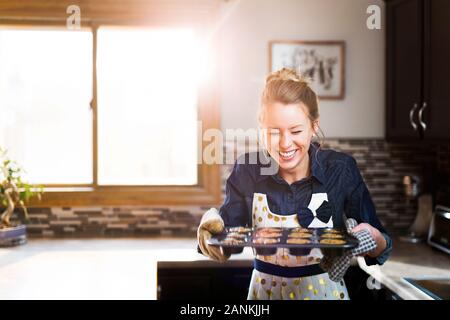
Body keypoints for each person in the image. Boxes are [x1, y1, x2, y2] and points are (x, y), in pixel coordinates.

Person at [197, 68, 392, 300]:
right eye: (274, 132)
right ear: (261, 130)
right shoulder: (246, 170)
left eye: (296, 130)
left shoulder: (340, 170)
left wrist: (373, 238)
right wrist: (210, 231)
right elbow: (227, 240)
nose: (285, 143)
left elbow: (382, 246)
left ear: (314, 127)